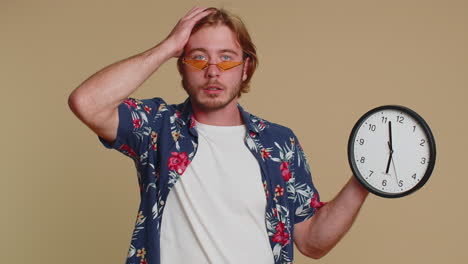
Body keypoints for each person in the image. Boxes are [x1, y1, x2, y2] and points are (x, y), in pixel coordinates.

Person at [68, 7, 369, 264]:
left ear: (246, 68)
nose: (213, 70)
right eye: (198, 58)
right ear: (182, 68)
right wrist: (168, 46)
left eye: (226, 58)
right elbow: (88, 103)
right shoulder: (158, 127)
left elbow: (312, 241)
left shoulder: (279, 143)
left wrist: (364, 178)